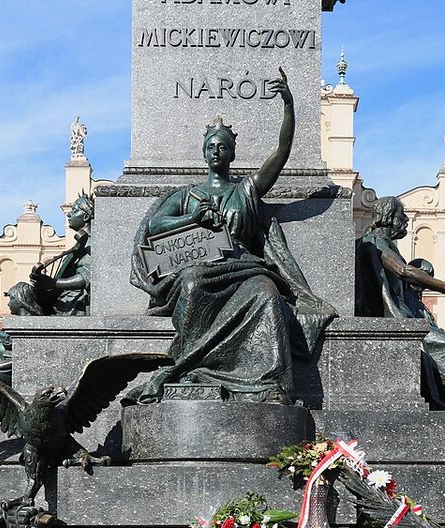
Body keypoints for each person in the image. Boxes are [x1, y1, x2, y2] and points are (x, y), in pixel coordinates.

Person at [128, 68, 335, 404]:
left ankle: (270, 384)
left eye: (222, 146)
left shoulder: (246, 190)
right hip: (201, 265)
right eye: (211, 146)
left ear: (232, 153)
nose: (216, 151)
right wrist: (192, 218)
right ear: (203, 152)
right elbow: (155, 226)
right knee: (192, 284)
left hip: (243, 267)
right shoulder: (186, 195)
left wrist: (289, 105)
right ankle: (191, 365)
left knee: (267, 292)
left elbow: (281, 153)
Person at [355, 199, 445, 410]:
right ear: (389, 217)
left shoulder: (379, 243)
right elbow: (403, 271)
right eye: (402, 215)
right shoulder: (375, 242)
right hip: (395, 321)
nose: (406, 220)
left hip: (402, 319)